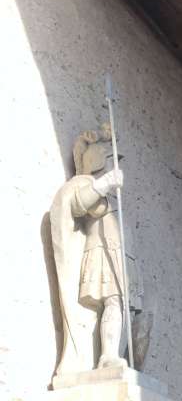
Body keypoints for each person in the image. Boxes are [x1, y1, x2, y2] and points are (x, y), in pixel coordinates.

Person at [50, 123, 127, 376]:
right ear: (97, 161)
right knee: (111, 301)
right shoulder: (84, 184)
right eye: (109, 159)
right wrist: (104, 183)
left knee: (120, 304)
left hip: (120, 254)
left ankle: (113, 353)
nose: (114, 165)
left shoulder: (114, 196)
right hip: (100, 251)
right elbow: (76, 204)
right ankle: (107, 355)